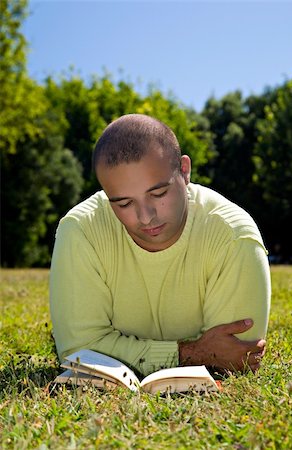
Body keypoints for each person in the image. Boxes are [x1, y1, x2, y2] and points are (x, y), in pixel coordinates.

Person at [50, 114, 271, 376]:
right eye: (123, 203)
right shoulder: (80, 231)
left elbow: (233, 358)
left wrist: (122, 352)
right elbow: (78, 351)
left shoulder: (233, 236)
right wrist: (193, 353)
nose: (145, 217)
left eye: (158, 193)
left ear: (184, 171)